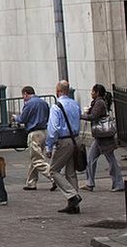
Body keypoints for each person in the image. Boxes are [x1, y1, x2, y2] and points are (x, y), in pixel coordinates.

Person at [47, 80, 83, 213]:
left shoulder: (56, 106)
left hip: (64, 141)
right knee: (71, 172)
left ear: (58, 91)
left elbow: (54, 129)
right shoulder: (75, 104)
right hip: (75, 139)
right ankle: (74, 206)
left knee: (53, 170)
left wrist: (49, 146)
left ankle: (72, 196)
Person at [82, 84, 124, 192]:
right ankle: (90, 183)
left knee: (111, 160)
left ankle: (119, 183)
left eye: (92, 91)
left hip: (104, 137)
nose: (91, 93)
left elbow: (94, 117)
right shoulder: (98, 102)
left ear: (96, 92)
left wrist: (81, 115)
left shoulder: (99, 103)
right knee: (91, 158)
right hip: (100, 137)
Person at [12, 85, 51, 190]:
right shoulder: (44, 103)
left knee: (37, 160)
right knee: (35, 157)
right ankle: (31, 182)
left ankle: (54, 176)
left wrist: (16, 118)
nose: (23, 98)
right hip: (44, 131)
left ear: (25, 93)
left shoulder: (29, 104)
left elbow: (23, 119)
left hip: (34, 133)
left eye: (23, 96)